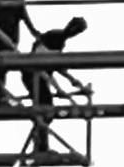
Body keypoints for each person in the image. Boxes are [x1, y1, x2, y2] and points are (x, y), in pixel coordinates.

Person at [26, 15, 89, 158]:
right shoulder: (53, 37)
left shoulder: (60, 41)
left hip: (37, 76)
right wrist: (58, 88)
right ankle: (41, 146)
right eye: (76, 30)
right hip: (33, 75)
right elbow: (41, 64)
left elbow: (56, 65)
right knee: (45, 107)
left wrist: (73, 80)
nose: (75, 34)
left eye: (78, 32)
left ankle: (41, 144)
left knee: (45, 109)